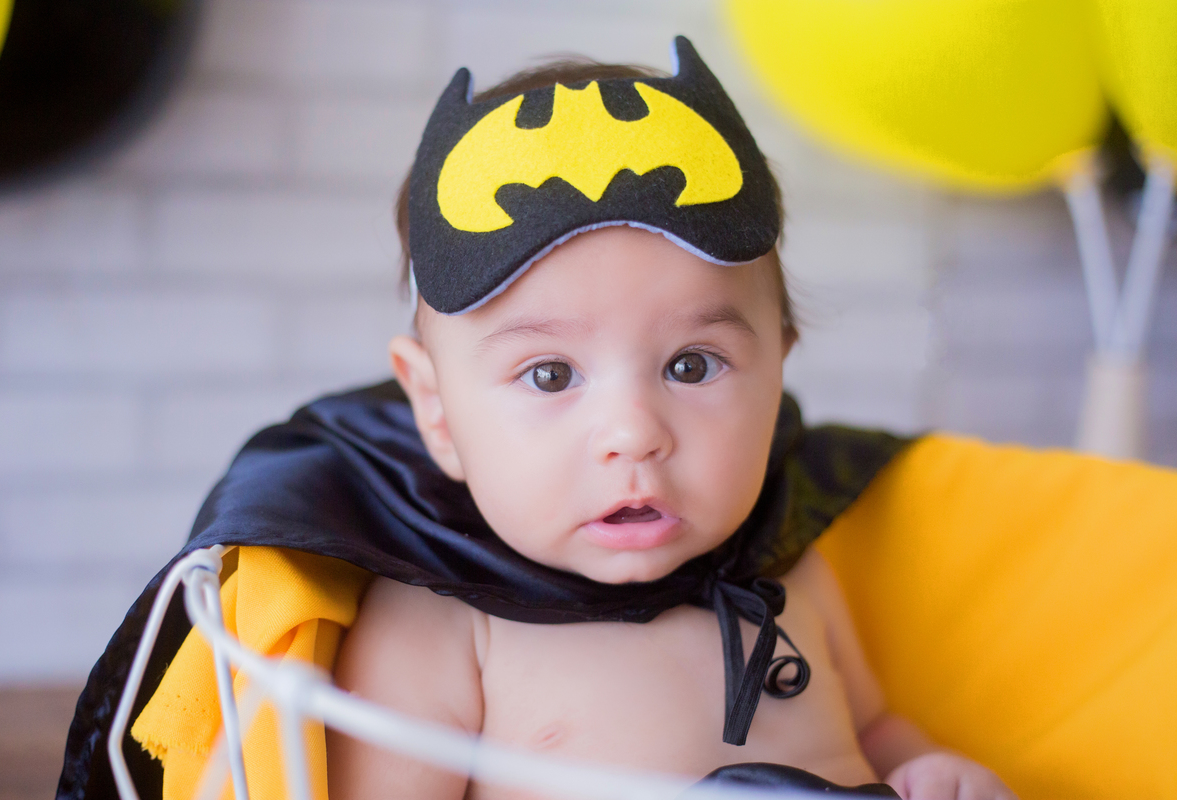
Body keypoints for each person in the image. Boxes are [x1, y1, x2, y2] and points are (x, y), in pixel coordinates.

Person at [325, 38, 1017, 800]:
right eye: (550, 375)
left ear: (779, 367)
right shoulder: (439, 621)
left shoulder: (789, 568)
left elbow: (872, 729)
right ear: (438, 410)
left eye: (692, 365)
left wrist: (929, 771)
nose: (634, 433)